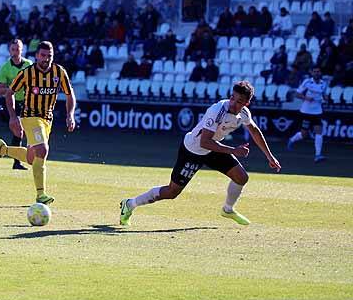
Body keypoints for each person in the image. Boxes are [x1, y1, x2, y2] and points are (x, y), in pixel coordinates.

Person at [119, 81, 282, 227]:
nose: (233, 103)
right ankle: (130, 204)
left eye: (239, 101)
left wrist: (269, 156)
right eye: (232, 98)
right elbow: (204, 142)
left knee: (241, 177)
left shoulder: (244, 113)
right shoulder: (218, 110)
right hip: (193, 150)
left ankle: (228, 209)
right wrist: (233, 150)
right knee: (172, 192)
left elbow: (254, 130)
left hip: (213, 149)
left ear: (246, 103)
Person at [0, 41, 76, 204]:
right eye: (43, 55)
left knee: (31, 158)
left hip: (47, 120)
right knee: (42, 150)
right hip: (30, 117)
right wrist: (13, 117)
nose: (46, 59)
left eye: (49, 56)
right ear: (36, 56)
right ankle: (41, 195)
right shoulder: (27, 73)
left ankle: (3, 150)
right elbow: (10, 93)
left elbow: (70, 95)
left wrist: (70, 115)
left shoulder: (59, 72)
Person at [0, 38, 33, 171]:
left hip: (27, 103)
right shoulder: (5, 68)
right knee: (19, 131)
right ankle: (16, 162)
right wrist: (14, 88)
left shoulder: (29, 64)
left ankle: (3, 150)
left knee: (24, 132)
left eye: (18, 49)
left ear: (22, 50)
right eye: (13, 49)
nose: (16, 52)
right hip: (11, 103)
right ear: (9, 51)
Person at [287, 67, 329, 162]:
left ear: (320, 73)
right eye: (315, 72)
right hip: (306, 112)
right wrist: (306, 98)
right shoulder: (307, 82)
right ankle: (292, 140)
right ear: (312, 73)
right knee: (304, 134)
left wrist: (326, 98)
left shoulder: (323, 84)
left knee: (319, 132)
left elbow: (325, 95)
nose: (316, 73)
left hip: (317, 112)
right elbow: (297, 94)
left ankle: (318, 155)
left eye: (318, 71)